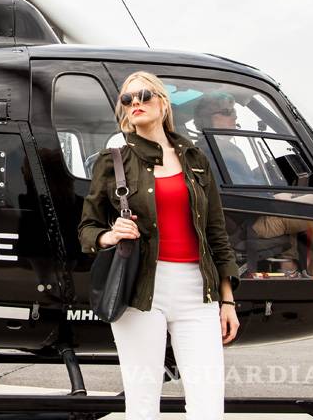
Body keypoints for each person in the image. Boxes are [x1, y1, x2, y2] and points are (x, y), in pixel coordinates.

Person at [79, 71, 240, 419]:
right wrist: (111, 235)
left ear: (163, 103)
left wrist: (227, 299)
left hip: (198, 291)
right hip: (140, 290)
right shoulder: (114, 160)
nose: (135, 102)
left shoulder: (195, 158)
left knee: (209, 404)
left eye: (144, 95)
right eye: (127, 99)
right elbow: (87, 229)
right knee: (142, 402)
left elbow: (216, 233)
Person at [193, 93, 313, 279]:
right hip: (251, 223)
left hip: (242, 221)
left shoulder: (208, 148)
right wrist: (274, 196)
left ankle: (289, 267)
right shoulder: (218, 151)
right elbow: (241, 191)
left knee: (297, 201)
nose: (235, 116)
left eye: (234, 111)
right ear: (209, 118)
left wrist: (276, 194)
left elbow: (241, 184)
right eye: (227, 112)